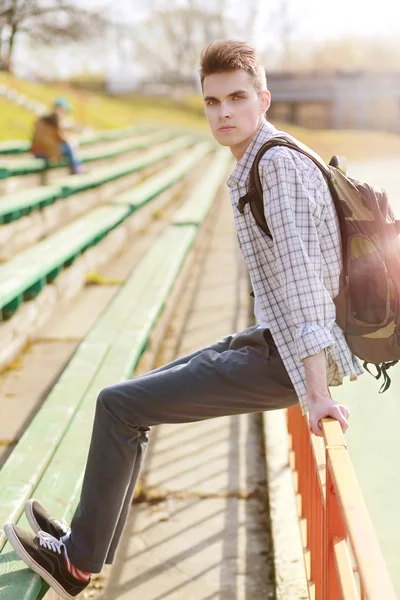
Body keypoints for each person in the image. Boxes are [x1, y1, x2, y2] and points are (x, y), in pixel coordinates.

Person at [3, 40, 362, 599]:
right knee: (132, 398)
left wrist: (314, 393)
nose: (223, 112)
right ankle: (85, 541)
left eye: (237, 98)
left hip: (290, 359)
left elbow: (304, 290)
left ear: (262, 100)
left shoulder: (278, 168)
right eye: (212, 101)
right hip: (274, 341)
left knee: (118, 405)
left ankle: (77, 562)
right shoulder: (259, 160)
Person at [31, 97, 85, 175]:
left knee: (69, 146)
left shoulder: (45, 119)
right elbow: (59, 138)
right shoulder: (53, 120)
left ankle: (76, 167)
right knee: (70, 146)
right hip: (44, 152)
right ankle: (76, 168)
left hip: (38, 151)